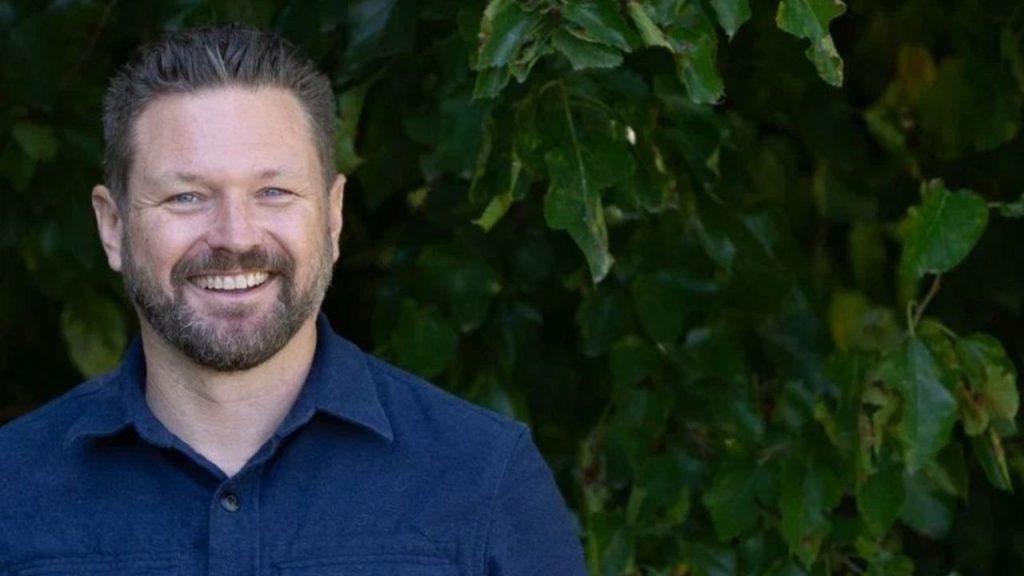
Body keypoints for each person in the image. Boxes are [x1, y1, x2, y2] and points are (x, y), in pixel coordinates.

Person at [0, 26, 587, 575]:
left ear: (333, 216)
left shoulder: (484, 478)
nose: (236, 237)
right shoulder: (12, 489)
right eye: (186, 197)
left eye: (273, 192)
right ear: (112, 227)